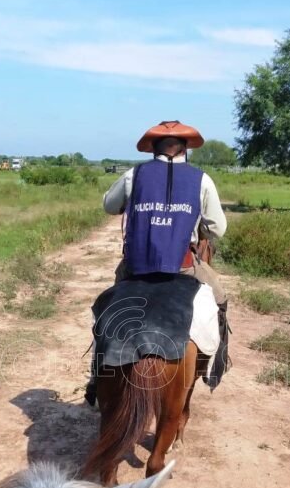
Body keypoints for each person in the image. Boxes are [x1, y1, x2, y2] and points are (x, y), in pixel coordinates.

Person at [86, 119, 229, 403]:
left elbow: (109, 206)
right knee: (220, 300)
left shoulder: (134, 174)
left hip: (136, 267)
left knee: (106, 311)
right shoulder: (201, 179)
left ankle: (96, 375)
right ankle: (214, 367)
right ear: (185, 148)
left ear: (153, 149)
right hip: (183, 266)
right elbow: (218, 229)